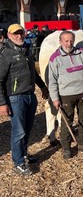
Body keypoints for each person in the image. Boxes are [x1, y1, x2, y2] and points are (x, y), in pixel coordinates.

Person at [0, 24, 49, 176]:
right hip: (15, 97)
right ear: (9, 35)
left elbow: (32, 71)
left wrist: (42, 86)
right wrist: (2, 103)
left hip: (29, 95)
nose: (19, 36)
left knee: (27, 129)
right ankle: (18, 162)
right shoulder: (5, 54)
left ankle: (24, 154)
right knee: (18, 131)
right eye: (15, 34)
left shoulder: (26, 51)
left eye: (21, 33)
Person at [48, 30, 83, 159]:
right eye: (66, 41)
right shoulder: (55, 58)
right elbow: (52, 80)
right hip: (66, 95)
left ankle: (82, 143)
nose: (69, 43)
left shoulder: (81, 52)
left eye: (71, 40)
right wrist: (55, 98)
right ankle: (66, 148)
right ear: (60, 42)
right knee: (67, 122)